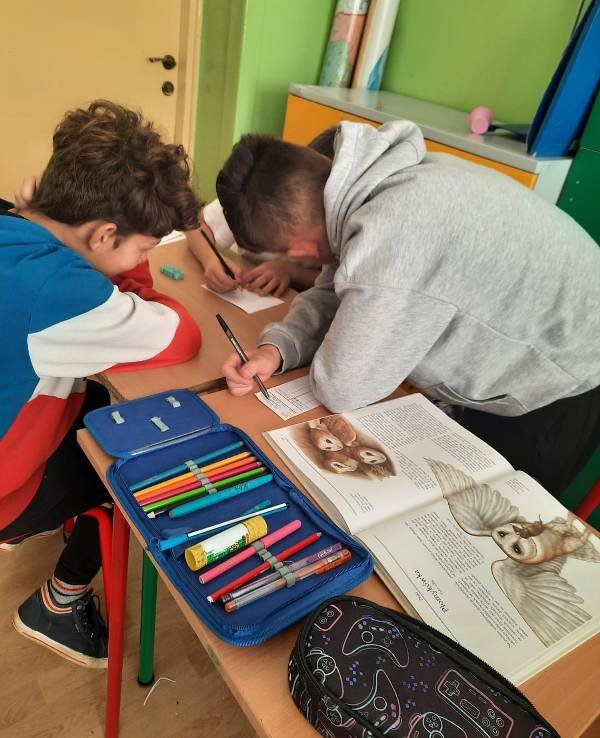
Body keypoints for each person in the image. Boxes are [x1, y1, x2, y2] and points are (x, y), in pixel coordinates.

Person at [215, 120, 600, 498]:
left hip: (561, 377)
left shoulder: (396, 228)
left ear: (297, 250)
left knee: (497, 508)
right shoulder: (366, 186)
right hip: (532, 339)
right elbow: (336, 288)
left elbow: (341, 386)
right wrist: (277, 348)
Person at [0, 100, 203, 668]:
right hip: (5, 484)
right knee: (139, 463)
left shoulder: (12, 220)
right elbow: (181, 336)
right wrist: (131, 274)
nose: (144, 257)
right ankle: (59, 604)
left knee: (95, 402)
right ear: (103, 233)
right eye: (144, 246)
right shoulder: (64, 293)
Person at [186, 128, 337, 296]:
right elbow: (194, 225)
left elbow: (336, 278)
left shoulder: (340, 230)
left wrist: (291, 271)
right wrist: (210, 259)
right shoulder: (258, 200)